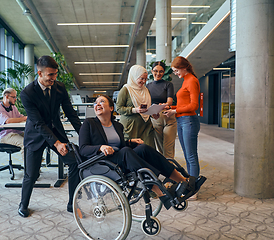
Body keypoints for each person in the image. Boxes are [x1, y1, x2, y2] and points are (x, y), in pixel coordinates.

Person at [79, 95, 206, 209]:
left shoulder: (117, 126)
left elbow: (121, 145)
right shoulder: (89, 123)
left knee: (143, 148)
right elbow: (83, 149)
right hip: (103, 162)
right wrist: (101, 147)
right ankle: (161, 191)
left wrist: (131, 141)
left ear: (111, 108)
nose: (97, 104)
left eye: (102, 101)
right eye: (96, 103)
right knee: (127, 152)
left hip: (120, 157)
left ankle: (184, 181)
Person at [18, 55, 82, 217]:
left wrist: (83, 134)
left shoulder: (59, 88)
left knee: (74, 162)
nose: (54, 78)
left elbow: (71, 113)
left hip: (56, 132)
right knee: (31, 174)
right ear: (39, 73)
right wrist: (56, 143)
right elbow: (38, 123)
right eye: (50, 75)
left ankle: (71, 203)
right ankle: (23, 205)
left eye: (55, 74)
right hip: (36, 136)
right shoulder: (27, 93)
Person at [163, 56, 201, 200]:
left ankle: (194, 190)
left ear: (184, 67)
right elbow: (184, 104)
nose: (176, 73)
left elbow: (193, 106)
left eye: (176, 70)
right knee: (187, 155)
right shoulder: (186, 80)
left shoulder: (192, 80)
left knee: (191, 157)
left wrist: (174, 111)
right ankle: (191, 186)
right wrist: (170, 107)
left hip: (189, 120)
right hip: (182, 120)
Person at [116, 65, 156, 149]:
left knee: (149, 150)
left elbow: (147, 108)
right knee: (132, 152)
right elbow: (119, 108)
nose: (144, 81)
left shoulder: (145, 90)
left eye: (145, 79)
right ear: (134, 76)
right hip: (131, 128)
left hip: (146, 126)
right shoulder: (126, 90)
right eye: (141, 78)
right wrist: (134, 110)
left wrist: (153, 113)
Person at [146, 61, 177, 159]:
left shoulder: (168, 84)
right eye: (155, 71)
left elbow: (169, 102)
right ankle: (166, 169)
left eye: (161, 71)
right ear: (152, 71)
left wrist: (164, 105)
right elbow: (147, 103)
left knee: (168, 149)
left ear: (164, 72)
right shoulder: (148, 86)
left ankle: (171, 171)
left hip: (168, 119)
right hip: (155, 119)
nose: (158, 74)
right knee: (161, 149)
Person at [0, 88, 27, 160]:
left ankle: (36, 164)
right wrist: (23, 119)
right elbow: (8, 121)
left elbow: (20, 117)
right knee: (25, 144)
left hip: (17, 132)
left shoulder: (13, 107)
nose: (15, 99)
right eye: (13, 97)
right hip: (6, 135)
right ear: (7, 96)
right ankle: (29, 170)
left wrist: (27, 118)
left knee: (34, 139)